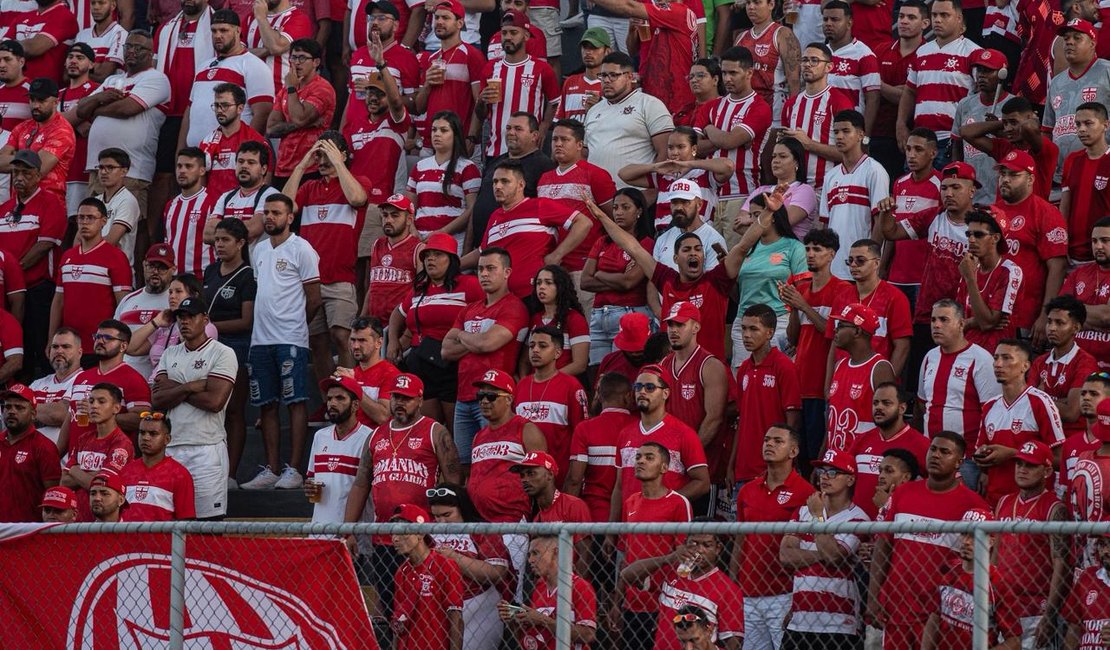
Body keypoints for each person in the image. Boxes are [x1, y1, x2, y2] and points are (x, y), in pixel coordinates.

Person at [586, 182, 769, 362]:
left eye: (698, 249)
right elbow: (632, 247)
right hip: (673, 371)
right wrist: (601, 216)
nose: (693, 253)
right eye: (687, 250)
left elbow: (743, 246)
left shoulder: (715, 281)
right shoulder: (666, 279)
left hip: (709, 368)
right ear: (675, 258)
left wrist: (769, 212)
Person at [343, 372, 461, 618]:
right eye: (396, 397)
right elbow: (360, 484)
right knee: (389, 609)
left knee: (425, 608)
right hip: (384, 537)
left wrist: (452, 530)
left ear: (419, 400)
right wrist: (348, 529)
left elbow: (454, 484)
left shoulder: (435, 431)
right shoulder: (375, 435)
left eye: (406, 398)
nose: (399, 403)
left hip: (422, 537)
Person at [866, 431, 989, 649]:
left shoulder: (973, 504)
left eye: (945, 452)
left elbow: (979, 563)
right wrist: (874, 596)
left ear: (959, 462)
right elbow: (884, 547)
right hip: (897, 608)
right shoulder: (903, 494)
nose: (936, 455)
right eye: (933, 449)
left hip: (941, 614)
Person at [240, 193, 321, 490]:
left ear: (290, 217)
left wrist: (295, 324)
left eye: (276, 212)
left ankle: (294, 469)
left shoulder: (302, 249)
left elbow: (314, 299)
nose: (270, 217)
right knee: (266, 405)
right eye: (267, 212)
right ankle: (272, 468)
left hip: (290, 338)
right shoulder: (259, 249)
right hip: (260, 340)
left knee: (296, 402)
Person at [283, 132, 368, 384]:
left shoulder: (357, 181)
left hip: (340, 277)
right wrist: (302, 163)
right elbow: (284, 207)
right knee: (317, 342)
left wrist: (338, 162)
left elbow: (357, 198)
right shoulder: (309, 188)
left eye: (327, 152)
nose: (321, 159)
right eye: (318, 153)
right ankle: (327, 398)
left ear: (342, 154)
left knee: (342, 336)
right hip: (309, 281)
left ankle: (349, 390)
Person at [876, 160, 976, 367]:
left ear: (972, 191)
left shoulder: (983, 225)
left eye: (956, 187)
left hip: (964, 316)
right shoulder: (933, 216)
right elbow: (891, 232)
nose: (948, 193)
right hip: (928, 313)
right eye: (945, 187)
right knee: (922, 376)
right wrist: (887, 212)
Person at [441, 248, 529, 465]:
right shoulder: (469, 309)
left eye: (491, 268)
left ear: (507, 272)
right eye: (480, 269)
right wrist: (477, 341)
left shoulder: (514, 307)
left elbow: (488, 343)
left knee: (492, 462)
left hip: (494, 397)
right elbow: (445, 350)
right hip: (463, 398)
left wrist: (461, 335)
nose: (484, 274)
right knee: (463, 464)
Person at [151, 297, 236, 519]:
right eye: (180, 317)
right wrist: (190, 387)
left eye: (190, 316)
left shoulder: (222, 352)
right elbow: (157, 399)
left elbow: (214, 402)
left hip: (206, 447)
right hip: (173, 445)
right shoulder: (170, 353)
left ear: (205, 319)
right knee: (172, 519)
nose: (184, 322)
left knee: (207, 522)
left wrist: (175, 388)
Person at [731, 425, 815, 650]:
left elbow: (807, 547)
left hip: (784, 594)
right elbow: (740, 540)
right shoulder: (747, 490)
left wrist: (798, 598)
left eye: (778, 441)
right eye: (767, 440)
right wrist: (733, 586)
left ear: (794, 451)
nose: (769, 444)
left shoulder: (806, 493)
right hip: (747, 593)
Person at [387, 233, 482, 430]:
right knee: (430, 427)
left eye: (438, 254)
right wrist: (393, 340)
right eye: (427, 255)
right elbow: (398, 313)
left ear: (452, 260)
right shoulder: (420, 289)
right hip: (420, 362)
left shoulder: (469, 285)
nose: (431, 259)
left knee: (454, 428)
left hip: (451, 363)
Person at [79, 29, 171, 225]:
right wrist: (99, 97)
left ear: (150, 53)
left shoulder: (157, 79)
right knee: (94, 224)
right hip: (99, 169)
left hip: (132, 171)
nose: (132, 51)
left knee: (129, 226)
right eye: (128, 46)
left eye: (139, 48)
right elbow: (81, 109)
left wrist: (95, 110)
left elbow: (127, 109)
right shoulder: (112, 80)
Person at [779, 449, 869, 649]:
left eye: (833, 472)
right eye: (822, 471)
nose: (824, 477)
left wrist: (819, 517)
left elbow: (834, 557)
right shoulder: (803, 510)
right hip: (799, 622)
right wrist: (824, 552)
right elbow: (786, 556)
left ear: (850, 480)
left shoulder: (858, 518)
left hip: (838, 626)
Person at [465, 159, 590, 301]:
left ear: (521, 185)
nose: (498, 186)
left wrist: (556, 255)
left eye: (505, 181)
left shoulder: (539, 205)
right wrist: (454, 263)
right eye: (495, 181)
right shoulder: (494, 216)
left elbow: (583, 223)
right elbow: (482, 252)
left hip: (535, 295)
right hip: (503, 300)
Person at [613, 441, 694, 650]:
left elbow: (684, 554)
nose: (640, 461)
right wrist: (617, 602)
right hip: (632, 603)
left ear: (664, 467)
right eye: (638, 457)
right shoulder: (630, 501)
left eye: (649, 457)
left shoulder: (678, 502)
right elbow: (626, 554)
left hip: (664, 603)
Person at [994, 439, 1071, 648]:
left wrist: (1050, 615)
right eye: (1019, 464)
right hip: (1004, 607)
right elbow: (994, 556)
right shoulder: (1004, 501)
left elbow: (1061, 565)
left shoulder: (1055, 508)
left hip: (1036, 608)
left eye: (1030, 465)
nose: (1022, 470)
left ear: (1046, 471)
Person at [618, 522, 744, 650]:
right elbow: (627, 575)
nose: (700, 550)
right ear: (685, 544)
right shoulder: (672, 571)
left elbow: (733, 643)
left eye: (707, 545)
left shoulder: (729, 590)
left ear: (718, 549)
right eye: (694, 543)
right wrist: (668, 558)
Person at [535, 118, 615, 315]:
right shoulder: (544, 178)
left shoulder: (595, 175)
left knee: (584, 326)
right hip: (551, 267)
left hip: (583, 266)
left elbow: (613, 219)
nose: (558, 144)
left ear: (580, 145)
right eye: (554, 140)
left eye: (565, 139)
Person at [917, 299, 1000, 489]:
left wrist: (985, 468)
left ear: (961, 323)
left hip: (966, 460)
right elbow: (923, 404)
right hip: (931, 455)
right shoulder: (929, 357)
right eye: (933, 320)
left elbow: (992, 413)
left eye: (944, 320)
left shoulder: (981, 359)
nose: (936, 325)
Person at [610, 365, 710, 522]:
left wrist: (667, 502)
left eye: (649, 387)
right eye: (638, 387)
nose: (642, 392)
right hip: (628, 535)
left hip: (666, 533)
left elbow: (702, 482)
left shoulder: (684, 433)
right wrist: (611, 529)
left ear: (665, 393)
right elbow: (619, 486)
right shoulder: (624, 434)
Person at [781, 229, 847, 469]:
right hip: (800, 382)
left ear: (831, 254)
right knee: (799, 454)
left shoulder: (843, 289)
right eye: (808, 249)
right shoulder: (802, 288)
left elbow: (835, 335)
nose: (810, 254)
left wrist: (803, 305)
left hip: (822, 385)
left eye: (817, 249)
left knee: (817, 454)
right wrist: (794, 307)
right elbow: (793, 337)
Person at [0, 150, 65, 380]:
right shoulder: (4, 208)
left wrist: (11, 273)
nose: (19, 177)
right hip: (9, 291)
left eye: (26, 173)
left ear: (38, 175)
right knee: (14, 347)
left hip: (38, 288)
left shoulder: (51, 203)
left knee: (38, 344)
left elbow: (44, 246)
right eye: (16, 172)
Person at [977, 338, 1065, 507]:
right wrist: (983, 456)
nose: (998, 364)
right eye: (995, 358)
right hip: (996, 503)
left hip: (1032, 505)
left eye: (1006, 358)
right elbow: (983, 462)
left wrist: (1011, 454)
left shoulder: (1040, 402)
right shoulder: (989, 406)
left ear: (1025, 366)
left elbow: (1059, 459)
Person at [919, 509, 1023, 650]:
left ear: (990, 541)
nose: (967, 541)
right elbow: (934, 619)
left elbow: (1014, 640)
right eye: (964, 533)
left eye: (974, 536)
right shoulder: (948, 571)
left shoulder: (997, 582)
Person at [426, 483, 512, 650]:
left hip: (479, 604)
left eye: (447, 514)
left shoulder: (481, 530)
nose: (441, 522)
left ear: (462, 508)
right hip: (438, 605)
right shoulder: (429, 531)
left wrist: (454, 557)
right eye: (436, 516)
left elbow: (496, 573)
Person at [201, 218, 253, 483]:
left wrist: (210, 325)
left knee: (233, 409)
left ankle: (231, 474)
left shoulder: (247, 274)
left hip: (236, 347)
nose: (219, 245)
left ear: (241, 243)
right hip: (206, 347)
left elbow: (246, 320)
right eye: (217, 239)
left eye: (225, 240)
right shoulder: (210, 271)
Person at [895, 0, 980, 165]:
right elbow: (910, 91)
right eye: (934, 15)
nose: (938, 20)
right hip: (921, 140)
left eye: (944, 15)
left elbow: (980, 98)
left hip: (953, 140)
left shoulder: (973, 53)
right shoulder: (922, 52)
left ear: (959, 18)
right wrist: (901, 123)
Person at [703, 46, 772, 244]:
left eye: (733, 73)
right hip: (710, 195)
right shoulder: (713, 105)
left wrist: (709, 129)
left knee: (736, 259)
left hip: (742, 195)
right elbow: (695, 147)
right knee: (712, 261)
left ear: (749, 72)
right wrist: (723, 138)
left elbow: (730, 141)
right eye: (724, 73)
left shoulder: (759, 107)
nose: (727, 79)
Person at [48, 196, 132, 355]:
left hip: (100, 346)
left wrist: (118, 343)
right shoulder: (67, 256)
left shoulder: (116, 257)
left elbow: (123, 304)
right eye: (81, 217)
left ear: (104, 221)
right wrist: (51, 339)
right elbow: (58, 301)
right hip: (70, 346)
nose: (85, 222)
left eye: (91, 217)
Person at [732, 302, 802, 488]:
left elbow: (793, 419)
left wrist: (783, 462)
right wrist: (732, 464)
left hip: (772, 470)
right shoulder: (743, 369)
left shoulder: (783, 366)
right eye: (744, 328)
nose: (746, 335)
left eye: (754, 329)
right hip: (744, 469)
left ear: (770, 332)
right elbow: (742, 419)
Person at [180, 10, 273, 150]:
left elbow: (263, 112)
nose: (218, 35)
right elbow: (190, 111)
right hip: (195, 157)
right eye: (214, 31)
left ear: (238, 31)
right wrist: (180, 150)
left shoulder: (253, 65)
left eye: (224, 30)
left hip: (230, 154)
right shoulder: (203, 66)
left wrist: (244, 150)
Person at [580, 188, 653, 366]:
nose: (619, 212)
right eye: (615, 207)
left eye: (625, 207)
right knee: (598, 372)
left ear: (639, 211)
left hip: (629, 313)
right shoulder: (602, 241)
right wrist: (617, 279)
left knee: (622, 370)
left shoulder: (646, 243)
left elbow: (629, 282)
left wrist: (600, 274)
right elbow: (585, 281)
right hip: (599, 314)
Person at [730, 193, 806, 365]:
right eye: (751, 216)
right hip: (744, 321)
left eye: (757, 215)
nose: (752, 222)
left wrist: (797, 331)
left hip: (779, 322)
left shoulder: (794, 247)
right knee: (743, 380)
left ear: (772, 217)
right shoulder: (745, 248)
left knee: (776, 379)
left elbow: (803, 292)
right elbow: (738, 293)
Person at [874, 129, 940, 326]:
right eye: (909, 149)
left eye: (918, 149)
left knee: (918, 332)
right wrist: (883, 266)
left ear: (933, 153)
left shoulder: (941, 185)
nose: (911, 155)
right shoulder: (899, 183)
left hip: (923, 276)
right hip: (897, 274)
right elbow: (892, 230)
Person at [466, 368, 546, 526]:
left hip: (512, 521)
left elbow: (543, 477)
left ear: (509, 399)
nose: (484, 401)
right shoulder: (478, 436)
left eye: (491, 396)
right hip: (479, 522)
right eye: (480, 396)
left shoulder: (526, 429)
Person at [343, 36, 411, 218]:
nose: (373, 97)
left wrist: (381, 63)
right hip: (351, 205)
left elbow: (396, 101)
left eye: (380, 94)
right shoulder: (354, 125)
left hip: (380, 207)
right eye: (370, 92)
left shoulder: (396, 123)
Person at [475, 10, 558, 160]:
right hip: (496, 151)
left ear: (526, 36)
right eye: (504, 33)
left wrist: (544, 127)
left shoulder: (541, 68)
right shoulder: (490, 68)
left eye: (513, 32)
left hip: (529, 151)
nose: (508, 37)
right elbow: (481, 115)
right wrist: (481, 100)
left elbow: (554, 102)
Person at [582, 52, 672, 187]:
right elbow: (585, 153)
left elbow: (666, 151)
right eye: (603, 75)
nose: (606, 80)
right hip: (597, 197)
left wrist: (655, 190)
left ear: (630, 77)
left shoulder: (650, 104)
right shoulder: (594, 110)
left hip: (635, 198)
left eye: (613, 75)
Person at [819, 110, 890, 280]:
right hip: (834, 268)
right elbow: (825, 224)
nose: (839, 137)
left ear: (860, 134)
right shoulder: (831, 176)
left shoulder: (875, 171)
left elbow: (880, 221)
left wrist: (869, 259)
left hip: (861, 267)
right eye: (836, 132)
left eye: (845, 131)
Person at [620, 126, 732, 232]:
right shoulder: (664, 174)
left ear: (693, 149)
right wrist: (656, 166)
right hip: (663, 237)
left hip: (696, 236)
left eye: (680, 147)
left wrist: (690, 164)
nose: (674, 152)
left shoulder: (705, 174)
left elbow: (728, 166)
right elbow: (624, 174)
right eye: (670, 147)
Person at [469, 112, 555, 249]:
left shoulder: (544, 166)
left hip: (514, 249)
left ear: (535, 136)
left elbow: (549, 211)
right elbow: (479, 205)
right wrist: (467, 248)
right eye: (508, 128)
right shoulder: (495, 162)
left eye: (518, 129)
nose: (511, 133)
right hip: (480, 248)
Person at [499, 535, 597, 650]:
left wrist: (543, 620)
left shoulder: (581, 587)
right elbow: (532, 639)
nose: (530, 560)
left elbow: (588, 635)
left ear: (556, 553)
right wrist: (515, 619)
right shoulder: (539, 588)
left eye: (536, 553)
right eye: (529, 555)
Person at [514, 327, 587, 480]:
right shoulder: (521, 386)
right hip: (525, 477)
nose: (535, 350)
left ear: (558, 352)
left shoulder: (571, 386)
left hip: (559, 474)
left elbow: (581, 434)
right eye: (532, 345)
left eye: (542, 346)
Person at [1042, 19, 1110, 184]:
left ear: (1092, 43)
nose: (1069, 42)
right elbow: (1047, 130)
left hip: (1102, 170)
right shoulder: (1057, 82)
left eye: (1077, 38)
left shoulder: (1107, 70)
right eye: (1066, 39)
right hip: (1062, 175)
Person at [389, 503, 465, 650]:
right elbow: (398, 622)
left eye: (401, 532)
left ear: (420, 533)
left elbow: (456, 618)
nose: (395, 539)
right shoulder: (402, 571)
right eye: (392, 533)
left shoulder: (445, 565)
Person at [412, 0, 485, 151]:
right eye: (437, 17)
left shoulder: (472, 55)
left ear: (459, 23)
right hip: (432, 142)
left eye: (445, 18)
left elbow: (480, 104)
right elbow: (419, 108)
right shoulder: (430, 59)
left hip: (460, 141)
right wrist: (427, 85)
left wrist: (471, 137)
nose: (439, 22)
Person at [781, 43, 852, 196]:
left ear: (829, 67)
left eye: (814, 60)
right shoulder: (790, 104)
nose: (807, 65)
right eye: (804, 60)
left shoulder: (840, 102)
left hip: (828, 188)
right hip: (794, 190)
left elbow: (850, 153)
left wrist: (809, 144)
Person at [825, 303, 897, 452]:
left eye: (841, 325)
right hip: (835, 461)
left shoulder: (879, 368)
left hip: (862, 459)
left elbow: (890, 420)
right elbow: (831, 422)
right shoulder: (840, 365)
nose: (835, 330)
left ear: (857, 331)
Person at [305, 374, 374, 528]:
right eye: (329, 399)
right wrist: (309, 486)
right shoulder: (320, 436)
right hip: (319, 529)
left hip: (354, 532)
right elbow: (312, 478)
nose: (332, 403)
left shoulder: (369, 438)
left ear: (356, 405)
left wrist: (351, 532)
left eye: (340, 398)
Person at [565, 372, 635, 521]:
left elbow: (574, 479)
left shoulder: (585, 428)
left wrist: (564, 515)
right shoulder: (640, 427)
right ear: (629, 396)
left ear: (600, 396)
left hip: (595, 514)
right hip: (631, 514)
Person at [60, 382, 134, 521]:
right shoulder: (83, 439)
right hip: (77, 520)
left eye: (101, 401)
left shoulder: (122, 443)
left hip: (104, 523)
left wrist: (75, 471)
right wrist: (95, 474)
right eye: (92, 401)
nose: (94, 406)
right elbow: (64, 481)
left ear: (116, 408)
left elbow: (101, 486)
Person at [960, 97, 1059, 200]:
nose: (1008, 129)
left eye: (1013, 122)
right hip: (1003, 214)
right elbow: (965, 132)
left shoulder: (1046, 148)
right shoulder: (1004, 147)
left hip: (1032, 213)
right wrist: (1000, 123)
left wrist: (1032, 119)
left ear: (1030, 117)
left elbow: (1028, 128)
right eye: (1005, 123)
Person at [405, 111, 479, 248]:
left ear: (455, 135)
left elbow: (472, 209)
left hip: (451, 241)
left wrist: (442, 232)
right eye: (434, 130)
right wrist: (413, 231)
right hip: (419, 240)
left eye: (444, 130)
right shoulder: (419, 166)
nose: (437, 134)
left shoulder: (468, 168)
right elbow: (408, 207)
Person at [870, 1, 927, 182]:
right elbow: (871, 91)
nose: (903, 21)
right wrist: (900, 91)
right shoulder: (881, 50)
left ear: (925, 23)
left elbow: (910, 95)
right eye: (901, 16)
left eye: (911, 17)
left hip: (908, 138)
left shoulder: (928, 53)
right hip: (877, 133)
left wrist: (877, 83)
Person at [267, 39, 335, 186]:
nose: (296, 62)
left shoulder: (322, 88)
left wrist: (291, 88)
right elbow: (271, 128)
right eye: (293, 57)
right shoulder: (285, 90)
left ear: (316, 62)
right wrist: (302, 124)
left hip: (311, 167)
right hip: (283, 167)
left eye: (302, 58)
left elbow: (299, 118)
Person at [343, 0, 420, 130]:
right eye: (371, 18)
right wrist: (342, 133)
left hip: (386, 134)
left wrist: (375, 89)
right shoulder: (358, 55)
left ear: (395, 25)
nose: (375, 22)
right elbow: (350, 101)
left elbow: (415, 105)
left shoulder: (406, 57)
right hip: (354, 134)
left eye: (382, 18)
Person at [955, 208, 1023, 353]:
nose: (971, 240)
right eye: (969, 234)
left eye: (979, 235)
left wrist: (970, 279)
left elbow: (986, 323)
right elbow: (958, 320)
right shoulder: (970, 267)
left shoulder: (1010, 272)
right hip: (965, 351)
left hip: (995, 356)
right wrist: (973, 322)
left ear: (996, 238)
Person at [1030, 296, 1100, 437]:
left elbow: (1071, 412)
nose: (1052, 328)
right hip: (1041, 436)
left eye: (1060, 323)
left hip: (1072, 440)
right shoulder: (1040, 362)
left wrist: (1041, 397)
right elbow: (1026, 404)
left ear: (1076, 328)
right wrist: (1061, 401)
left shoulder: (1085, 362)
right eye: (1049, 322)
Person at [126, 273, 216, 379]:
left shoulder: (206, 327)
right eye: (170, 292)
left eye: (178, 291)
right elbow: (130, 348)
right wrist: (155, 322)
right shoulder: (166, 326)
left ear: (194, 295)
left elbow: (190, 360)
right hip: (153, 385)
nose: (172, 296)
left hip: (176, 387)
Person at [0, 77, 75, 203]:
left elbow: (37, 168)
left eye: (41, 100)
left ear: (56, 102)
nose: (35, 105)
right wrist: (27, 159)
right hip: (18, 204)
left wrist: (15, 157)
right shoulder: (22, 127)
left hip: (49, 203)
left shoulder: (62, 130)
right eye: (32, 99)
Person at [950, 48, 1008, 205]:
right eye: (979, 70)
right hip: (971, 189)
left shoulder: (1012, 105)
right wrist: (957, 175)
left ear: (1003, 73)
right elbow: (957, 144)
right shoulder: (965, 104)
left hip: (999, 188)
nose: (981, 75)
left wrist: (998, 128)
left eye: (988, 71)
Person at [117, 411, 196, 520]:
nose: (145, 438)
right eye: (142, 432)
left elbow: (186, 521)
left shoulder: (180, 475)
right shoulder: (125, 471)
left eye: (153, 433)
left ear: (167, 439)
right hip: (127, 537)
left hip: (163, 537)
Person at [0, 383, 59, 522]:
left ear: (33, 414)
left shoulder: (44, 447)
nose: (11, 411)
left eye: (19, 407)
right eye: (7, 407)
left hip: (29, 530)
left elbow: (52, 494)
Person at [113, 243, 174, 378]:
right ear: (143, 265)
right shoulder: (128, 300)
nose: (156, 272)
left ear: (173, 270)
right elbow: (113, 338)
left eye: (162, 268)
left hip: (155, 377)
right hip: (123, 374)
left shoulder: (174, 301)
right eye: (151, 266)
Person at [735, 0, 800, 126]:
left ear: (771, 5)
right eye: (748, 3)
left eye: (757, 3)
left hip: (774, 109)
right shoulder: (741, 37)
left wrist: (792, 115)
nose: (751, 7)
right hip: (745, 107)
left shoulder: (783, 34)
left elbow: (794, 80)